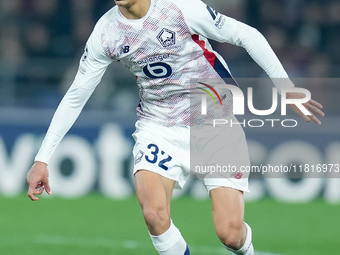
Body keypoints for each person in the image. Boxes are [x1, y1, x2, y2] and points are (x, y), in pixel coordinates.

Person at [27, 0, 324, 254]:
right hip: (158, 125)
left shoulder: (180, 8)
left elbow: (247, 35)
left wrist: (286, 88)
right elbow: (77, 94)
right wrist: (42, 158)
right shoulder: (106, 32)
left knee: (229, 234)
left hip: (214, 123)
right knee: (154, 214)